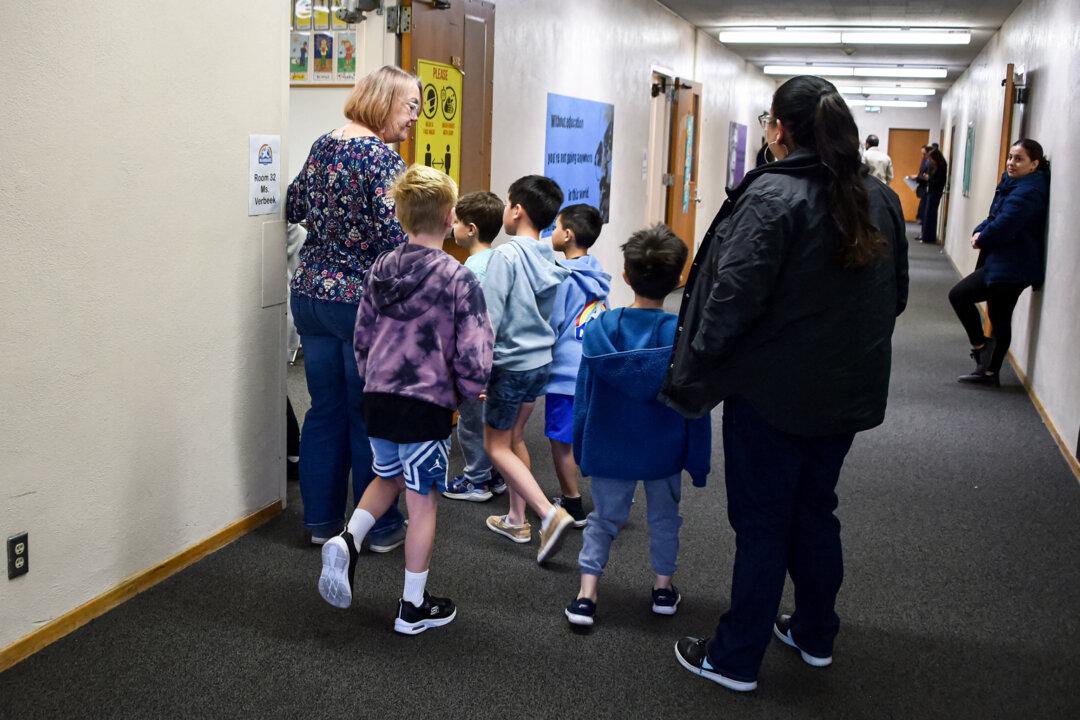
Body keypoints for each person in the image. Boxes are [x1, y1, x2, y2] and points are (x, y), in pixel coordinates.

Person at [660, 75, 908, 692]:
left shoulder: (774, 197)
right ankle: (815, 633)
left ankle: (735, 657)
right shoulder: (879, 199)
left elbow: (729, 301)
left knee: (764, 521)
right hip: (845, 392)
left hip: (771, 395)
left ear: (780, 129)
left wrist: (706, 361)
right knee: (815, 509)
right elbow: (896, 296)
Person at [317, 164, 493, 634]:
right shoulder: (457, 278)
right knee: (423, 504)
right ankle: (413, 608)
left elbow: (362, 337)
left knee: (386, 475)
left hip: (379, 397)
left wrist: (372, 377)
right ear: (452, 216)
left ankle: (349, 538)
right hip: (425, 404)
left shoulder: (380, 268)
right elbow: (474, 345)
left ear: (398, 216)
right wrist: (473, 386)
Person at [286, 65, 420, 548]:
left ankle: (321, 524)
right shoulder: (382, 160)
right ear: (383, 102)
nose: (414, 119)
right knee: (367, 414)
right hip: (361, 304)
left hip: (311, 298)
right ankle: (378, 527)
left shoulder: (324, 144)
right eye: (410, 107)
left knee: (324, 410)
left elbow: (293, 205)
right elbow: (395, 239)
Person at [563, 224, 710, 627]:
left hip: (610, 448)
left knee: (603, 519)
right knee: (665, 519)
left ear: (625, 276)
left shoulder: (600, 331)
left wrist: (582, 451)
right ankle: (663, 590)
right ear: (679, 278)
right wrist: (697, 461)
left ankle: (586, 596)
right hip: (664, 450)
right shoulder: (683, 338)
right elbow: (695, 405)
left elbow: (584, 400)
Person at [481, 175, 575, 564]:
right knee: (515, 436)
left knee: (495, 445)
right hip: (539, 362)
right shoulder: (549, 255)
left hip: (510, 363)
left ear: (516, 210)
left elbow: (488, 319)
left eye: (507, 202)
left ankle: (548, 514)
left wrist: (478, 370)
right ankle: (516, 519)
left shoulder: (505, 256)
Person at [948, 139, 1050, 386]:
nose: (1012, 163)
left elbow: (1006, 224)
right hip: (1007, 262)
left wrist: (983, 237)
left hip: (1014, 264)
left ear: (1034, 164)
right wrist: (979, 231)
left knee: (960, 295)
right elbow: (995, 216)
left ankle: (982, 348)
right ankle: (990, 371)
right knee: (999, 313)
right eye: (1011, 157)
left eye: (1019, 159)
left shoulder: (1029, 191)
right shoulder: (1013, 183)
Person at [544, 204, 611, 527]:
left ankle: (572, 502)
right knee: (587, 436)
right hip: (592, 369)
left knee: (561, 440)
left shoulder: (563, 278)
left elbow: (552, 325)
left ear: (567, 235)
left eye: (555, 227)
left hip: (564, 376)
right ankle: (608, 498)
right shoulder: (597, 272)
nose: (552, 233)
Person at [443, 191, 508, 501]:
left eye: (455, 222)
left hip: (477, 360)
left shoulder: (471, 271)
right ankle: (493, 473)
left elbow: (471, 324)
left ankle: (476, 480)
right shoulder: (499, 260)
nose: (451, 227)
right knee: (488, 419)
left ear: (470, 229)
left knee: (470, 422)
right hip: (498, 358)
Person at [921, 148, 948, 244]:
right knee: (929, 214)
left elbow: (938, 181)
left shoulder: (941, 166)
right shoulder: (940, 165)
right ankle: (928, 237)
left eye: (931, 159)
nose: (930, 161)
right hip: (934, 192)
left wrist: (928, 178)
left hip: (935, 192)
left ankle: (928, 237)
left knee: (930, 214)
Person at [907, 144, 931, 224]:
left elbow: (927, 176)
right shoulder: (925, 160)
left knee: (923, 209)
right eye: (922, 154)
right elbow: (923, 173)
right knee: (922, 208)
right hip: (922, 187)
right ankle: (922, 229)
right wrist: (918, 176)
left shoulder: (930, 162)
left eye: (924, 154)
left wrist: (917, 177)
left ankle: (922, 226)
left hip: (927, 188)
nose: (923, 155)